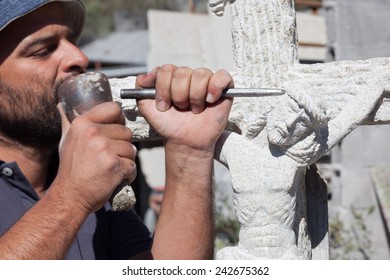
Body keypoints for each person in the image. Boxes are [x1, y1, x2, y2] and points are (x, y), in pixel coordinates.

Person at [0, 0, 233, 259]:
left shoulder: (85, 172)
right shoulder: (79, 183)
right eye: (43, 50)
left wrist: (189, 152)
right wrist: (71, 197)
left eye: (72, 40)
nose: (80, 57)